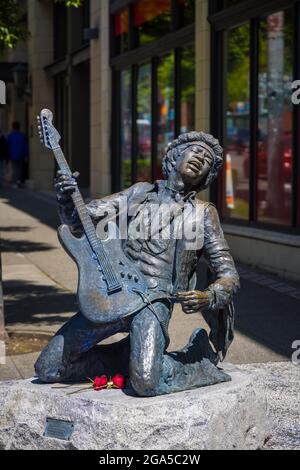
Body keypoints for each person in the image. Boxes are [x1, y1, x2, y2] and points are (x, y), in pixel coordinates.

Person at [35, 131, 240, 396]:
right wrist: (65, 197)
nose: (200, 159)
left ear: (207, 175)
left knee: (146, 383)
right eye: (195, 152)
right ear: (176, 156)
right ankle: (129, 356)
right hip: (115, 293)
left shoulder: (202, 214)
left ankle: (195, 360)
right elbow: (82, 218)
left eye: (207, 160)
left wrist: (207, 296)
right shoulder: (138, 192)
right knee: (49, 368)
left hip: (153, 302)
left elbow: (228, 274)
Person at [7, 121, 29, 188]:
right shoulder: (22, 136)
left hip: (13, 155)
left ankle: (15, 182)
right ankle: (18, 181)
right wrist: (26, 155)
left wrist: (8, 156)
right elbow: (25, 146)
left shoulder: (10, 136)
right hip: (21, 155)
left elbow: (8, 146)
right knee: (19, 169)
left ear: (12, 127)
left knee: (14, 169)